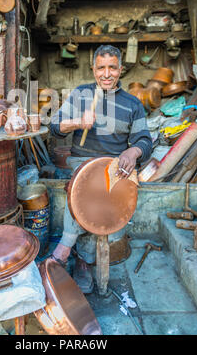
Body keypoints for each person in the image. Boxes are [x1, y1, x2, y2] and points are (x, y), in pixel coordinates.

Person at [49, 45, 153, 293]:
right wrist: (77, 122)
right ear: (93, 69)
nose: (106, 74)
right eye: (101, 68)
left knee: (99, 189)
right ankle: (77, 256)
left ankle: (70, 255)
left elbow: (145, 140)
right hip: (81, 161)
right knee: (89, 188)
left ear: (120, 69)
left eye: (112, 68)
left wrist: (132, 151)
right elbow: (54, 126)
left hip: (114, 166)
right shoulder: (81, 94)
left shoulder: (133, 104)